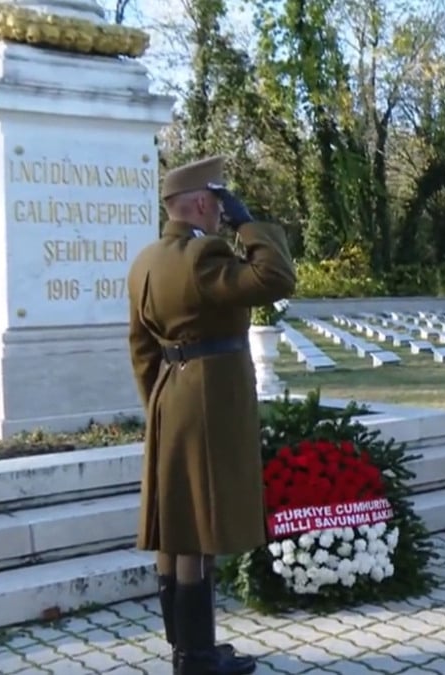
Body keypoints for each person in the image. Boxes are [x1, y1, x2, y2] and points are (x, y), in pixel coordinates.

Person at [128, 155, 296, 675]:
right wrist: (250, 224)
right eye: (220, 204)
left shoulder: (146, 261)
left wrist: (158, 401)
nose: (222, 216)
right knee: (198, 533)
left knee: (174, 528)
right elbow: (275, 277)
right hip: (207, 401)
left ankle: (185, 648)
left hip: (170, 397)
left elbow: (140, 348)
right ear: (203, 201)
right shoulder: (204, 255)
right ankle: (197, 658)